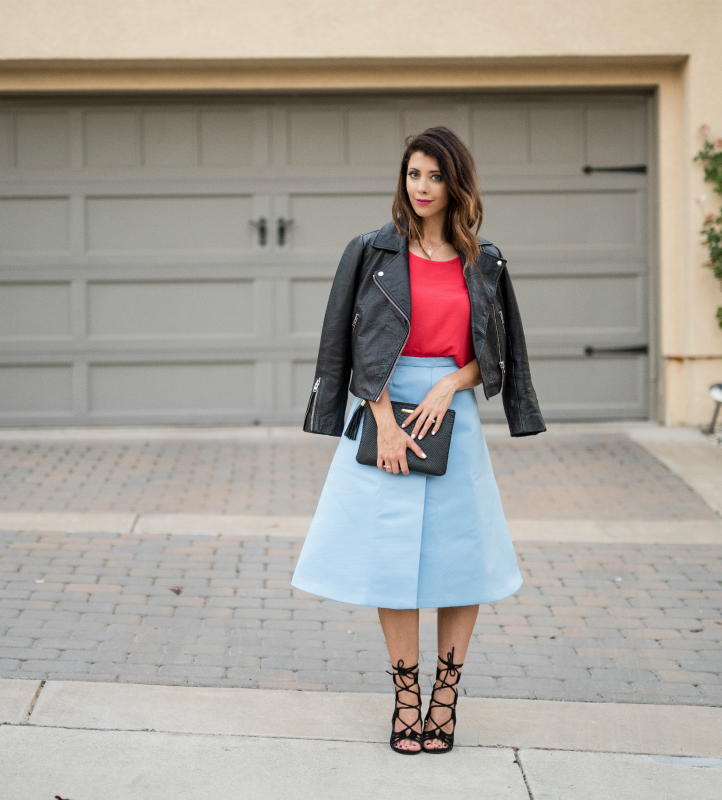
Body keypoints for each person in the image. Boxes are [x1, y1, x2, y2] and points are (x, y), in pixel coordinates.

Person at [292, 126, 545, 755]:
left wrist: (449, 386)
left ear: (455, 182)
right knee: (392, 561)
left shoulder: (484, 261)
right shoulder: (370, 251)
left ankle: (445, 698)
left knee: (461, 564)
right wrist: (383, 421)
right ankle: (406, 696)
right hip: (384, 413)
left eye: (435, 176)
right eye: (413, 175)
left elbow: (499, 354)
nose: (423, 187)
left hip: (452, 416)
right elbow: (344, 345)